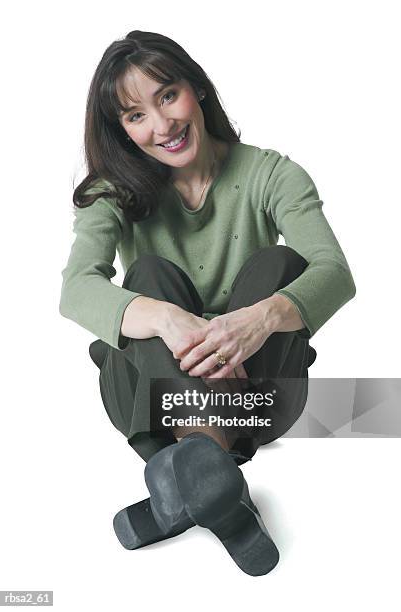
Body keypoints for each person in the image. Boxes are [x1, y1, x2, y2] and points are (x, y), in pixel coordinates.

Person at [59, 30, 356, 576]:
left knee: (280, 269)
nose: (161, 125)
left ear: (196, 89)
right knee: (148, 276)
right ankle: (213, 476)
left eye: (168, 96)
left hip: (257, 396)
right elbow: (77, 289)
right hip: (150, 400)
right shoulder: (112, 192)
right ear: (121, 130)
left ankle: (188, 485)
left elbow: (335, 273)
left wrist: (257, 321)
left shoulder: (271, 173)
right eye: (135, 115)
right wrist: (171, 320)